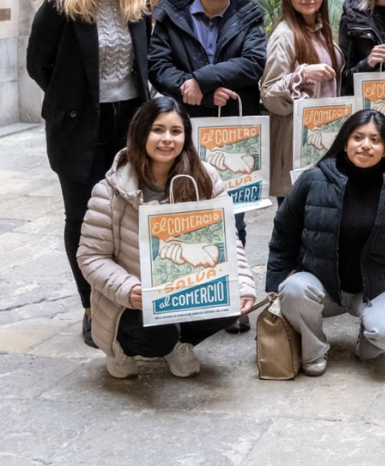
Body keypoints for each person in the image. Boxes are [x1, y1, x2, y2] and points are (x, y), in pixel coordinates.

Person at [27, 0, 152, 348]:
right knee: (82, 217)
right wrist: (71, 102)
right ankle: (89, 307)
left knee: (128, 212)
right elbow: (37, 65)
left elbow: (144, 58)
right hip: (78, 125)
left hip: (130, 121)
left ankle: (127, 298)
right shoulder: (61, 5)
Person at [76, 97, 257, 378]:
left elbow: (229, 240)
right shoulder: (110, 190)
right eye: (157, 130)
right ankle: (122, 347)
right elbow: (90, 256)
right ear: (140, 133)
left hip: (189, 287)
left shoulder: (206, 178)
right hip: (132, 299)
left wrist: (243, 286)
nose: (167, 139)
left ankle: (179, 343)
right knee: (157, 336)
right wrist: (127, 289)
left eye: (176, 131)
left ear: (186, 136)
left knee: (231, 303)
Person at [266, 109, 385, 376]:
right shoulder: (312, 180)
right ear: (345, 142)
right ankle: (314, 349)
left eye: (375, 140)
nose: (365, 145)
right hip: (320, 285)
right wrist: (276, 282)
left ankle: (365, 337)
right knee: (293, 290)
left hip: (372, 288)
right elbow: (284, 233)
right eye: (358, 137)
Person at [148, 0, 266, 331]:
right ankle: (188, 298)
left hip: (233, 129)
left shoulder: (249, 14)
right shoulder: (170, 13)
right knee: (184, 210)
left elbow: (253, 62)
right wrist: (187, 85)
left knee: (233, 216)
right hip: (182, 128)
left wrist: (203, 78)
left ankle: (232, 301)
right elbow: (156, 64)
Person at [260, 0, 343, 203]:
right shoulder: (284, 35)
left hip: (323, 142)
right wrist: (302, 75)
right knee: (295, 228)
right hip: (295, 146)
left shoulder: (323, 30)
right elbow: (269, 93)